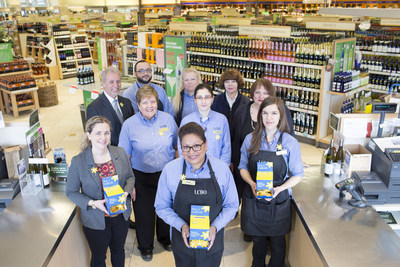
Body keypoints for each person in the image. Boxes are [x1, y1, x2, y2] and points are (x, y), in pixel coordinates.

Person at [155, 122, 239, 267]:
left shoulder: (221, 170)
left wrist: (215, 226)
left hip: (212, 240)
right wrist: (181, 225)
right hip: (182, 240)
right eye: (186, 147)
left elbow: (232, 205)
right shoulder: (170, 170)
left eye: (196, 146)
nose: (191, 152)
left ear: (205, 145)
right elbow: (161, 206)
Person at [239, 96, 303, 267]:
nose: (269, 118)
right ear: (260, 115)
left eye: (274, 113)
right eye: (265, 113)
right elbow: (242, 167)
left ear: (281, 116)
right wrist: (252, 184)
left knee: (278, 243)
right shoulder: (250, 139)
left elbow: (298, 175)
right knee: (258, 241)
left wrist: (280, 189)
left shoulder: (290, 143)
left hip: (279, 199)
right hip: (254, 197)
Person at [118, 85, 178, 261]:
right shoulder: (129, 125)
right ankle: (145, 245)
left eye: (152, 101)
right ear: (138, 104)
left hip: (166, 175)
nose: (149, 105)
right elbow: (124, 156)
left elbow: (177, 146)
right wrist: (130, 183)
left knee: (166, 208)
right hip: (141, 176)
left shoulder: (167, 120)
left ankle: (165, 238)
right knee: (144, 212)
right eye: (145, 102)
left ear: (157, 102)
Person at [66, 116, 135, 267]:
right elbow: (71, 192)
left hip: (120, 216)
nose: (103, 137)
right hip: (96, 220)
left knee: (118, 252)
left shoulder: (120, 153)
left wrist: (126, 193)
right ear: (89, 135)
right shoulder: (79, 162)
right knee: (98, 257)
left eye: (106, 133)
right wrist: (92, 203)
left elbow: (130, 177)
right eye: (98, 133)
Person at [232, 78, 295, 204]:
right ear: (252, 94)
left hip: (275, 169)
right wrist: (233, 162)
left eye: (265, 93)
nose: (261, 96)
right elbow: (234, 139)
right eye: (257, 92)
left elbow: (289, 135)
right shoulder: (241, 111)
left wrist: (294, 157)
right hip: (247, 167)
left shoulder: (282, 110)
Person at [179, 84, 231, 166]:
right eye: (199, 98)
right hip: (193, 169)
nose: (203, 101)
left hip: (216, 169)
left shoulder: (221, 120)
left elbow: (226, 149)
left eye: (207, 97)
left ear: (212, 99)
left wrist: (221, 169)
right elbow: (181, 148)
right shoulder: (186, 121)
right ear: (195, 100)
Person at [86, 67, 135, 146]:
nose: (116, 85)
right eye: (111, 82)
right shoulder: (94, 108)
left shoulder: (127, 102)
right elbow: (94, 138)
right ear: (104, 84)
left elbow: (133, 126)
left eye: (118, 81)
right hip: (110, 152)